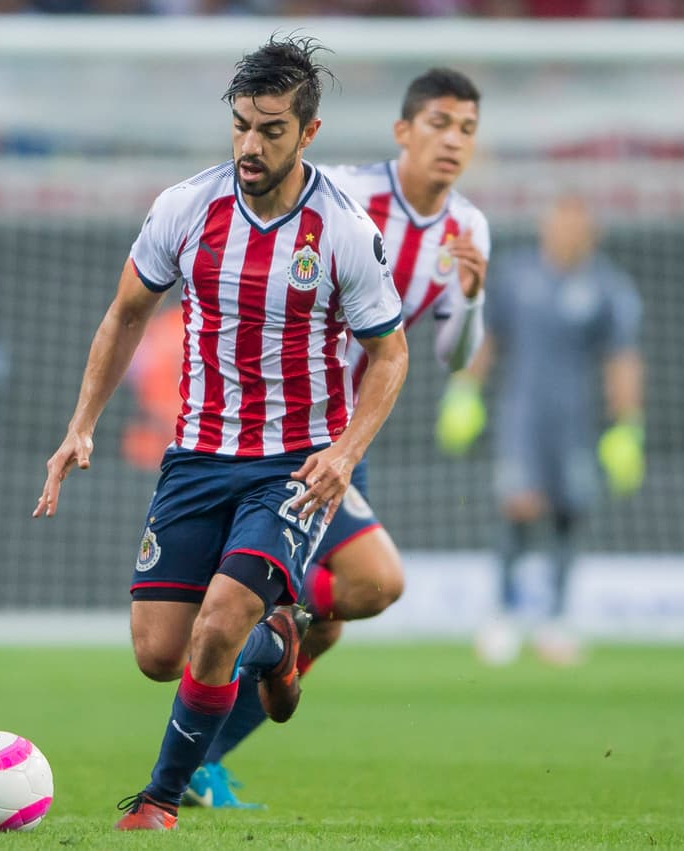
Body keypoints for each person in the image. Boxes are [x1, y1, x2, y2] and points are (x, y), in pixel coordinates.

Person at [33, 35, 408, 831]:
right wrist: (81, 425)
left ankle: (159, 801)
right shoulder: (184, 207)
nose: (249, 144)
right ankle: (276, 645)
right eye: (240, 124)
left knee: (216, 625)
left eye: (271, 128)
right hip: (197, 458)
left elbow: (390, 354)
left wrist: (344, 454)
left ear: (308, 134)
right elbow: (126, 313)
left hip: (291, 467)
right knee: (158, 653)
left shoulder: (343, 229)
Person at [185, 67, 489, 810]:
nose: (454, 140)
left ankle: (199, 757)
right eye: (441, 123)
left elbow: (453, 355)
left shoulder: (468, 229)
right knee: (374, 582)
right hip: (291, 429)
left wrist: (473, 301)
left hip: (349, 438)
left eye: (468, 130)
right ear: (404, 131)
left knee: (325, 630)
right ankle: (254, 615)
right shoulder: (345, 197)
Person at [438, 194, 645, 666]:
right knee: (520, 506)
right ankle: (504, 613)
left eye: (575, 226)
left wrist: (627, 424)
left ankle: (557, 617)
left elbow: (622, 357)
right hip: (523, 415)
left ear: (591, 234)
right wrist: (465, 391)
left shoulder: (608, 287)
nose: (565, 234)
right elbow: (488, 335)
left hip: (574, 419)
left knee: (571, 511)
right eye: (558, 224)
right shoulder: (517, 276)